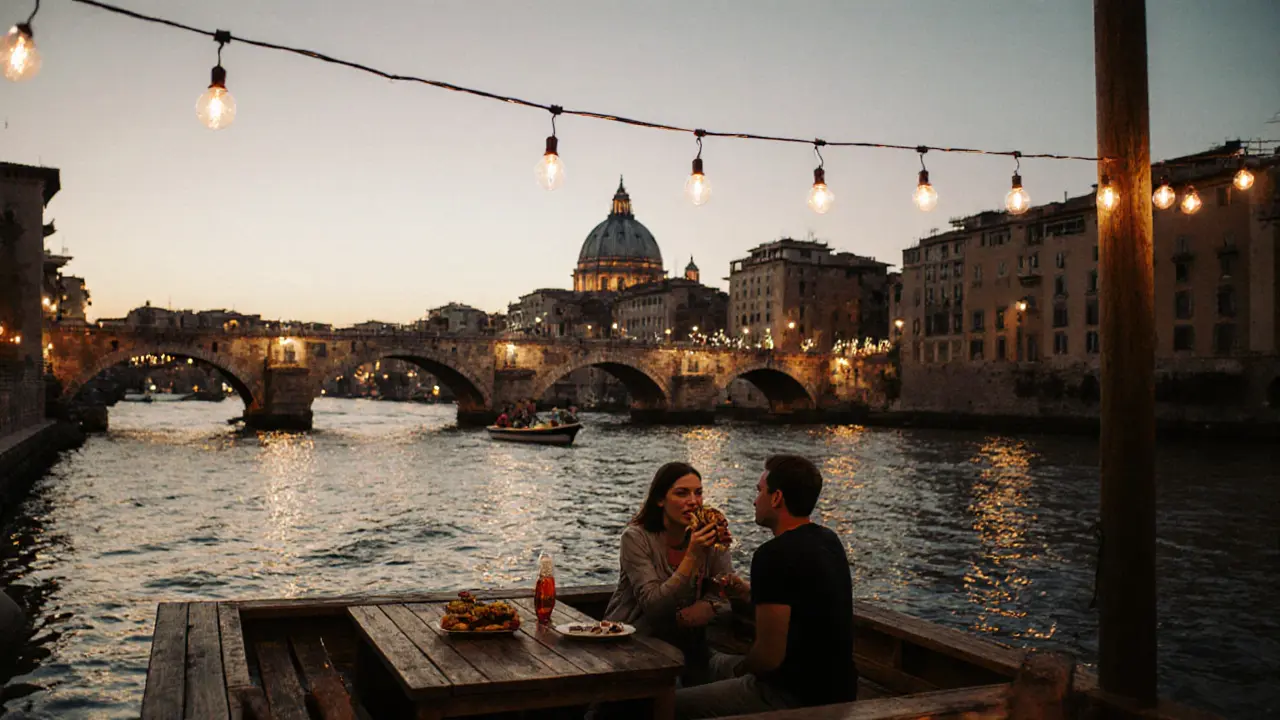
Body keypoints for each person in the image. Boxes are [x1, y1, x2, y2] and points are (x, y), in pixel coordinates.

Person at [674, 454, 855, 719]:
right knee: (709, 664)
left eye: (760, 491)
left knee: (669, 704)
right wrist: (748, 593)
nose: (755, 499)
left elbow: (768, 657)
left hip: (793, 696)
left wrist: (741, 669)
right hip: (840, 688)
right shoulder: (828, 540)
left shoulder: (772, 555)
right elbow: (799, 604)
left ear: (776, 498)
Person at [604, 462, 734, 685]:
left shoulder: (710, 534)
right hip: (634, 639)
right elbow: (654, 605)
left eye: (698, 493)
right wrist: (693, 554)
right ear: (660, 499)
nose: (693, 502)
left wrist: (710, 606)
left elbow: (726, 592)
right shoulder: (636, 538)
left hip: (689, 643)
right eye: (682, 493)